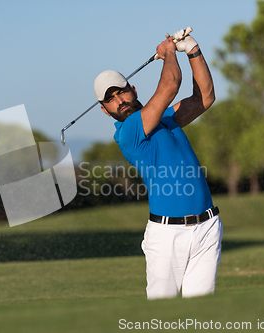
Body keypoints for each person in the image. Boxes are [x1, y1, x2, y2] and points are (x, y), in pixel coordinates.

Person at [93, 30, 222, 299]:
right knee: (163, 319)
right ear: (105, 110)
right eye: (110, 99)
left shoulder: (165, 118)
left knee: (200, 316)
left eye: (122, 92)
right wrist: (168, 52)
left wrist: (193, 51)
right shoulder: (129, 132)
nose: (120, 101)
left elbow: (205, 98)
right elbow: (171, 84)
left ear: (133, 90)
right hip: (167, 237)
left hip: (207, 227)